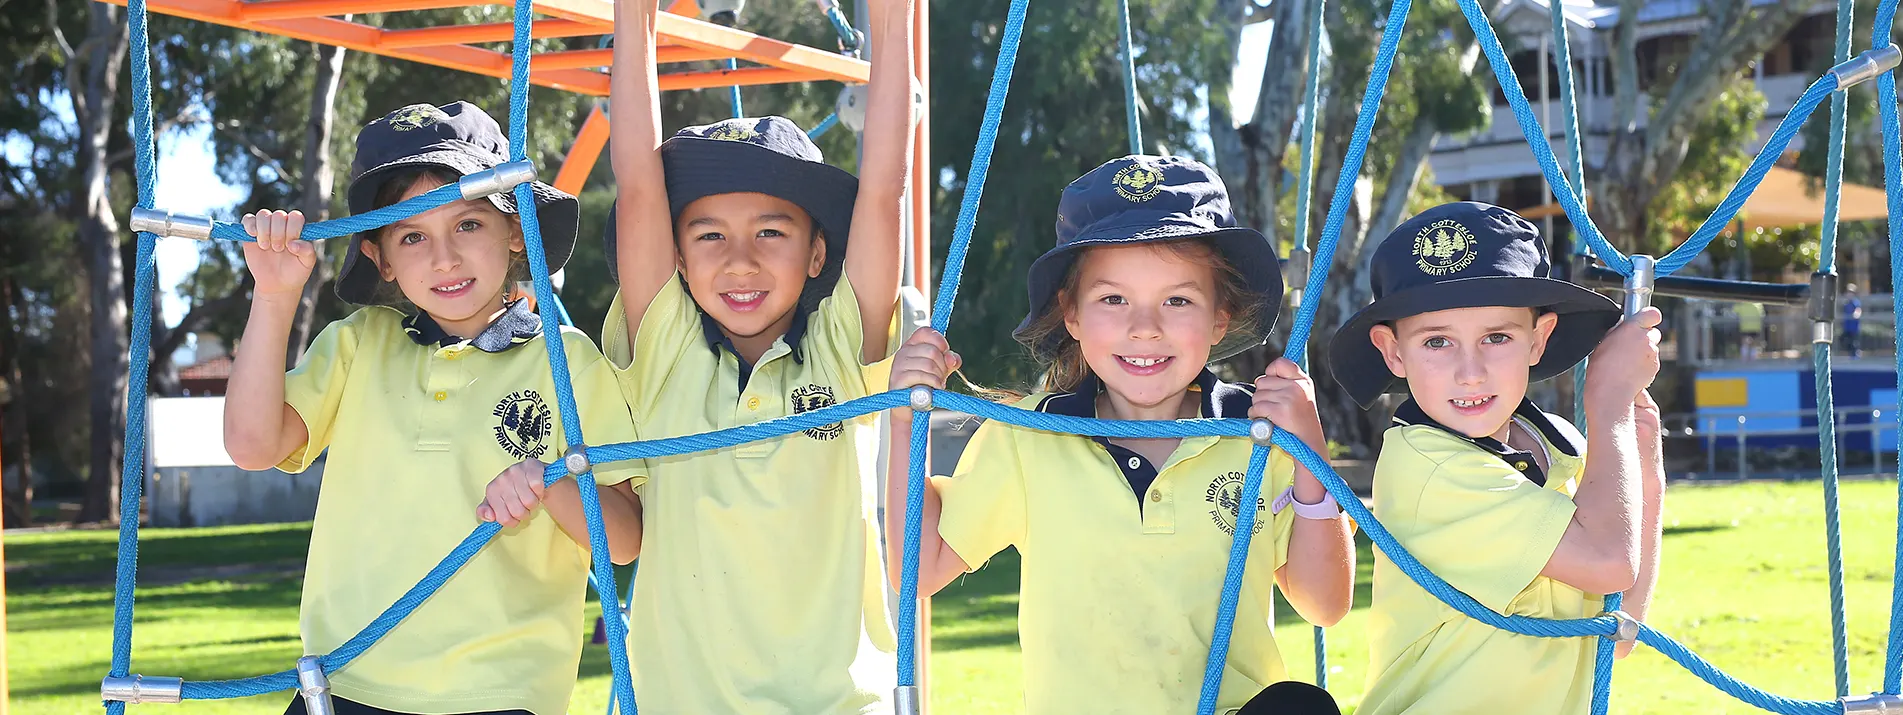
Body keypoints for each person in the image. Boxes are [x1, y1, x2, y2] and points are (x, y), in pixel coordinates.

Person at [886, 156, 1355, 715]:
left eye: (1178, 300)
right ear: (1072, 315)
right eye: (1113, 299)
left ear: (1220, 318)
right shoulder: (1031, 435)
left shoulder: (1256, 435)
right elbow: (918, 568)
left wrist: (1311, 452)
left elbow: (1325, 604)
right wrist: (903, 422)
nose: (1145, 327)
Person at [222, 101, 644, 715]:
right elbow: (252, 445)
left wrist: (551, 480)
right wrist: (276, 295)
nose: (444, 258)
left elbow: (625, 541)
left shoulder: (567, 362)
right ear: (380, 258)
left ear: (515, 232)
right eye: (412, 236)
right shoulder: (360, 344)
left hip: (496, 694)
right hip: (344, 684)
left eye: (468, 225)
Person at [600, 0, 915, 709]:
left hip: (835, 702)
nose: (739, 261)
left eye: (771, 232)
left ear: (816, 255)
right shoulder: (666, 356)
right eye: (709, 236)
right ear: (677, 257)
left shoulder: (841, 351)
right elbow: (639, 186)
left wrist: (892, 25)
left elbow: (884, 191)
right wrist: (632, 17)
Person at [1332, 202, 1666, 715]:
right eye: (1438, 342)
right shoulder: (1433, 469)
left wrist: (1645, 468)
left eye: (1497, 337)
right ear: (1393, 351)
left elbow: (1614, 632)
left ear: (1539, 338)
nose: (1471, 372)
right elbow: (1609, 561)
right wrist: (1608, 400)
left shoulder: (1559, 450)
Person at [1842, 284, 1863, 358]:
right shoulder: (1846, 303)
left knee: (1854, 342)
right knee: (1846, 341)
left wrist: (1856, 314)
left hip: (1854, 327)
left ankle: (1855, 356)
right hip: (1847, 326)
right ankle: (1851, 355)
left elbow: (1858, 310)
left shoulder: (1856, 302)